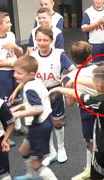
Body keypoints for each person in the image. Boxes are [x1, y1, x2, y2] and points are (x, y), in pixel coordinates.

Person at [9, 27, 75, 166]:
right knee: (45, 121)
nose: (42, 42)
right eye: (38, 39)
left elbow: (73, 70)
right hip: (38, 93)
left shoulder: (59, 54)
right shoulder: (33, 57)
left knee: (57, 122)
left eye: (45, 40)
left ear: (51, 40)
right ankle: (51, 151)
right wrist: (16, 91)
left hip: (55, 92)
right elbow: (26, 76)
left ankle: (61, 148)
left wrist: (66, 78)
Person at [50, 66, 104, 180]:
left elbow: (77, 94)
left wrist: (58, 89)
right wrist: (76, 80)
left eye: (93, 81)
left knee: (96, 176)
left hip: (103, 146)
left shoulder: (98, 101)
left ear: (99, 86)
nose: (92, 83)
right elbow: (96, 85)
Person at [11, 55, 58, 180]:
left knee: (37, 163)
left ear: (31, 74)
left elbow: (38, 109)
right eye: (14, 71)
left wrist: (17, 115)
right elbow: (34, 103)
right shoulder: (35, 81)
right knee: (23, 151)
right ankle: (31, 175)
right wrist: (18, 107)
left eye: (19, 73)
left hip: (40, 127)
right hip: (41, 124)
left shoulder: (30, 88)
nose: (15, 75)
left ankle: (41, 175)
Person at [0, 11, 27, 147]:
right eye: (7, 22)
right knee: (5, 103)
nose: (11, 24)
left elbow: (19, 54)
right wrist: (10, 64)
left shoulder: (11, 35)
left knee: (17, 99)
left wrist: (14, 46)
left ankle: (18, 126)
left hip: (15, 72)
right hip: (2, 74)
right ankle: (4, 133)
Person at [62, 41, 98, 180]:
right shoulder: (98, 69)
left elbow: (70, 103)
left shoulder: (68, 78)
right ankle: (93, 170)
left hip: (87, 111)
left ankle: (92, 170)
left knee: (90, 142)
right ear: (90, 56)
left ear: (72, 57)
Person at [81, 0, 104, 66]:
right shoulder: (88, 12)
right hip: (93, 44)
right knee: (94, 67)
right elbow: (84, 28)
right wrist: (97, 23)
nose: (98, 1)